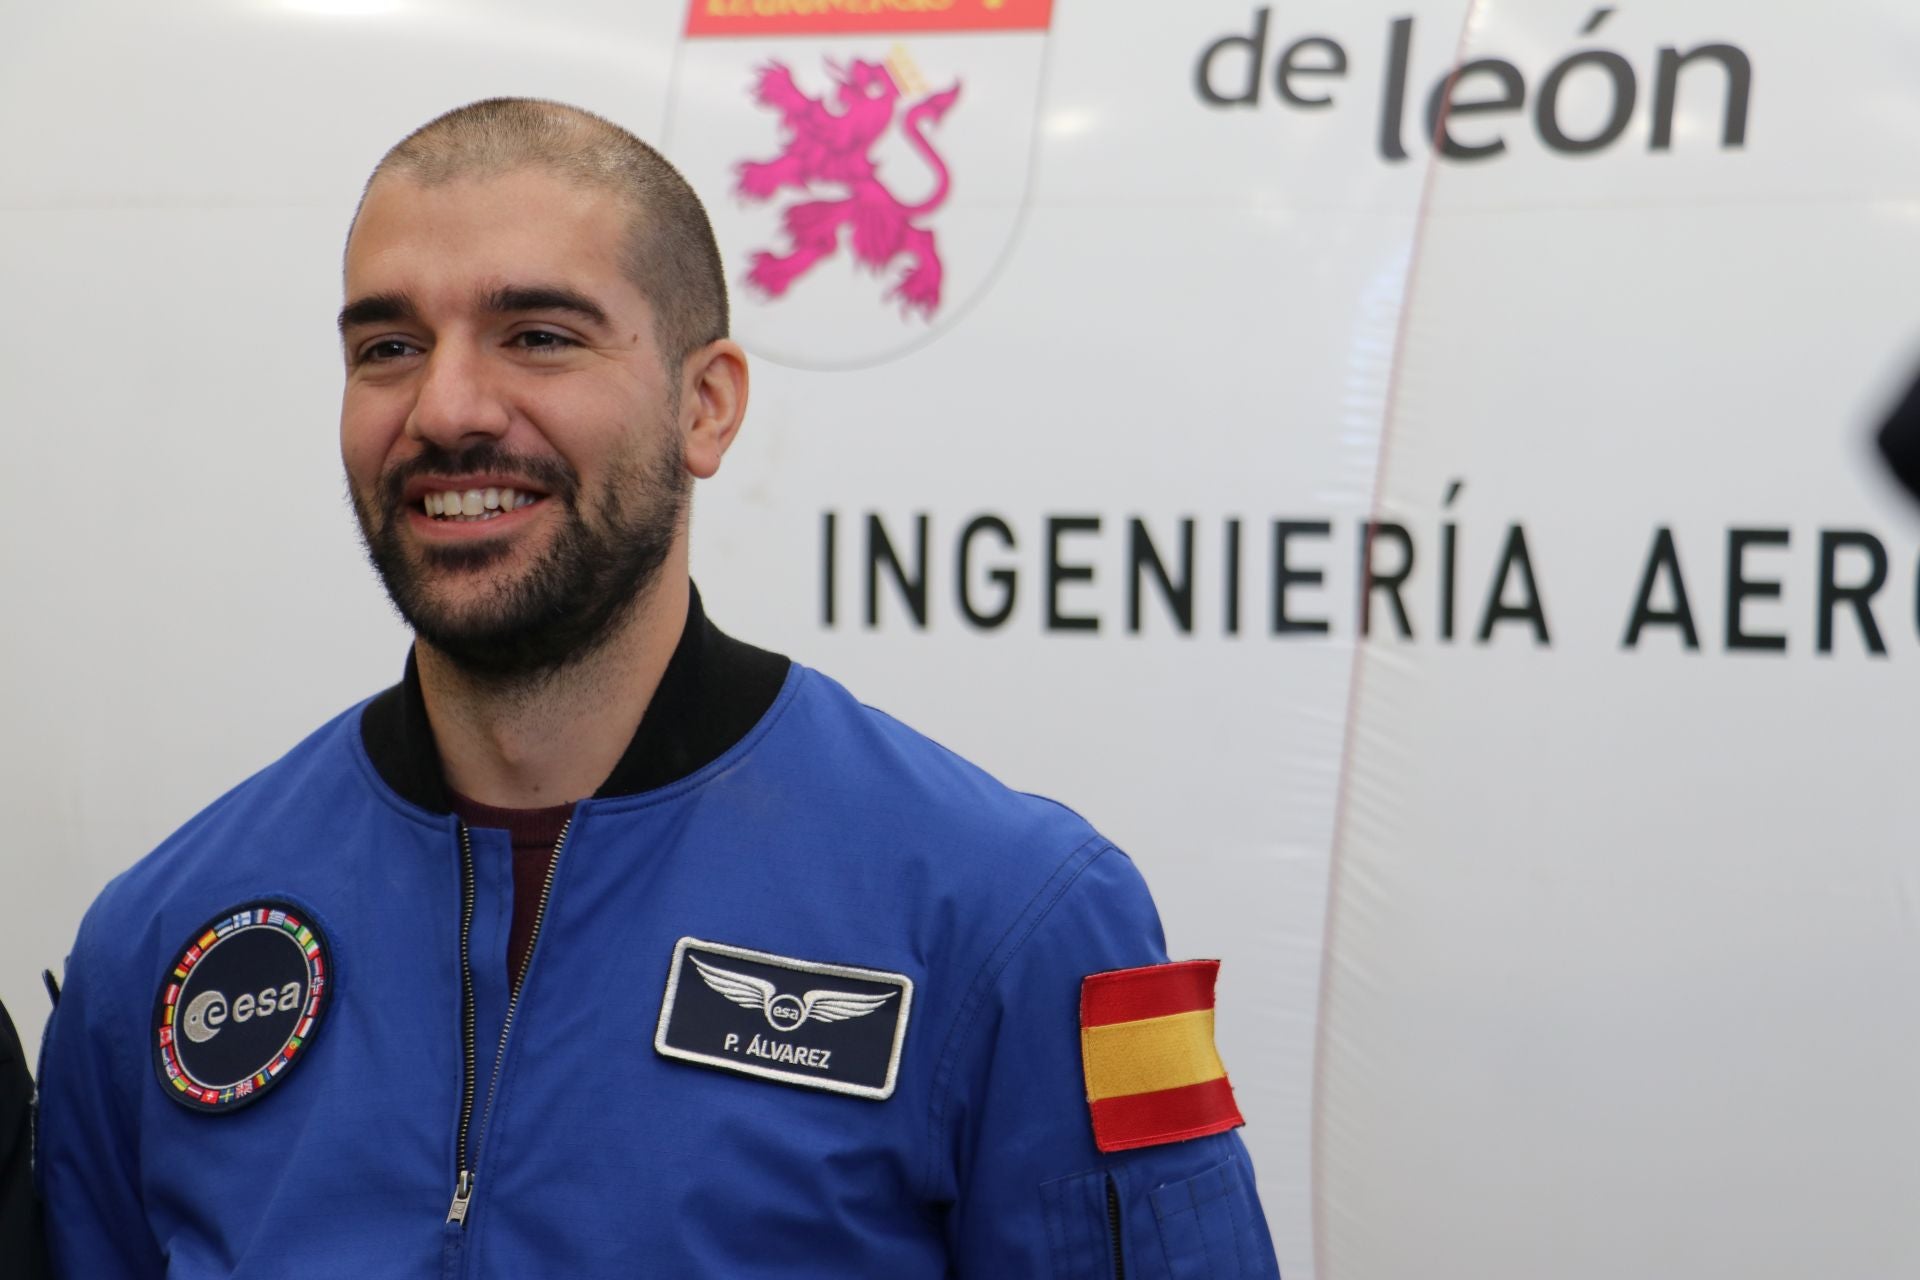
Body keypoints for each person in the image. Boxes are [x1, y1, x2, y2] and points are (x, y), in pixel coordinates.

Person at [36, 98, 1280, 1277]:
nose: (448, 406)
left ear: (706, 404)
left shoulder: (1024, 917)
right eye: (389, 346)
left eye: (539, 335)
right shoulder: (158, 938)